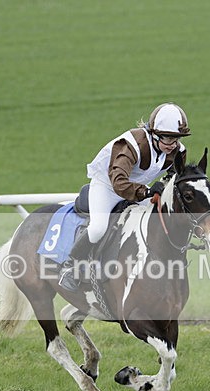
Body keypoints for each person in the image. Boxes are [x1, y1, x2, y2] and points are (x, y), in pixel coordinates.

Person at [58, 102, 191, 292]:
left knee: (159, 218)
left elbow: (174, 175)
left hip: (136, 188)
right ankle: (70, 266)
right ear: (154, 133)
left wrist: (163, 185)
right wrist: (146, 192)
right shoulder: (132, 145)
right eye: (168, 138)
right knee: (97, 228)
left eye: (177, 138)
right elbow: (119, 182)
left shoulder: (178, 150)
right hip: (107, 187)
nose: (173, 144)